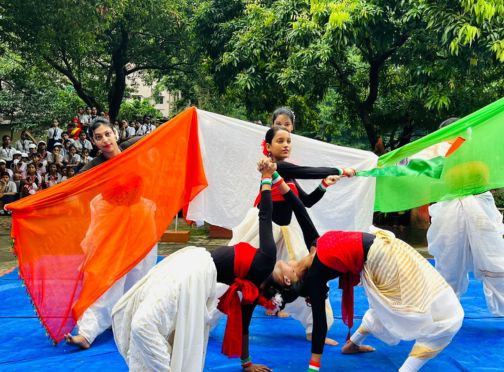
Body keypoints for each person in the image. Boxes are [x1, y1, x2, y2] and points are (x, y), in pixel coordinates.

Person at [112, 159, 284, 372]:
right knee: (133, 314)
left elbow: (265, 215)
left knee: (144, 325)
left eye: (293, 271)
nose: (291, 264)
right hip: (191, 263)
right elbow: (244, 327)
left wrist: (267, 177)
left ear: (285, 279)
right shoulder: (250, 288)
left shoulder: (265, 264)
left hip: (194, 273)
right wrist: (246, 363)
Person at [266, 187, 463, 372]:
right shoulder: (316, 275)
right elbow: (319, 324)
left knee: (392, 305)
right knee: (445, 315)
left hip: (390, 252)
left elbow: (299, 208)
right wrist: (313, 366)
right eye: (274, 273)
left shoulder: (312, 247)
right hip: (387, 260)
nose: (275, 264)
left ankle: (353, 343)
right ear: (287, 280)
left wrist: (273, 176)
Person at [224, 125, 355, 344]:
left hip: (286, 233)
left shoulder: (288, 176)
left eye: (289, 141)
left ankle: (315, 329)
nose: (286, 145)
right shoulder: (276, 168)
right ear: (268, 146)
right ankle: (202, 318)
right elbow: (306, 171)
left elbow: (305, 202)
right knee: (230, 276)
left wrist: (324, 184)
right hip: (262, 230)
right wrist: (338, 169)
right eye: (280, 141)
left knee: (310, 276)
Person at [427, 117, 504, 339]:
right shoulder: (439, 158)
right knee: (448, 265)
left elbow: (491, 177)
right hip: (450, 213)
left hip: (478, 210)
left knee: (496, 262)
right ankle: (440, 316)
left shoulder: (480, 153)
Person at [64, 117, 157, 349]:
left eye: (107, 134)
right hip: (110, 221)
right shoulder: (94, 166)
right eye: (98, 137)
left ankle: (132, 318)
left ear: (115, 133)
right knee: (107, 275)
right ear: (93, 142)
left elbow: (161, 136)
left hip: (140, 217)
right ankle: (87, 332)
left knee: (140, 272)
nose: (105, 140)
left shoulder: (132, 146)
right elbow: (68, 187)